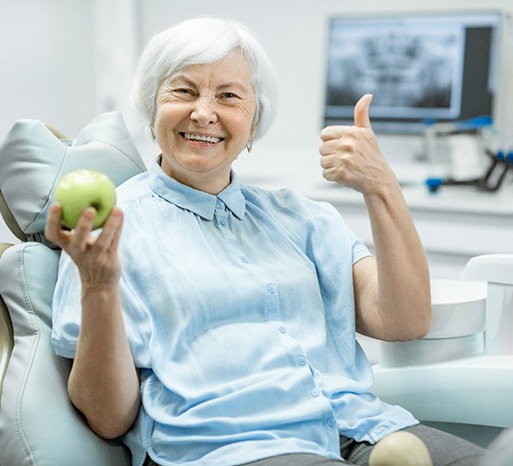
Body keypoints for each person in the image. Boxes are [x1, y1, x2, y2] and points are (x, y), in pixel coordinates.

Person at [45, 16, 487, 466]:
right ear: (151, 107)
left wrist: (382, 188)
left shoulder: (302, 218)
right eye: (183, 90)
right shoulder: (110, 233)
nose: (203, 112)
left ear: (254, 122)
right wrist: (98, 286)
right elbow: (108, 418)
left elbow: (405, 320)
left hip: (362, 427)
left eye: (229, 96)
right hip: (234, 448)